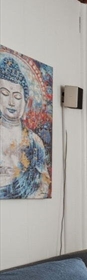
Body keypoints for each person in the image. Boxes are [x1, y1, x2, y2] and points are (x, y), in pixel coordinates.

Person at [0, 57, 50, 199]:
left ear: (24, 102)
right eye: (5, 93)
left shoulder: (34, 142)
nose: (11, 102)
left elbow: (44, 184)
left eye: (17, 96)